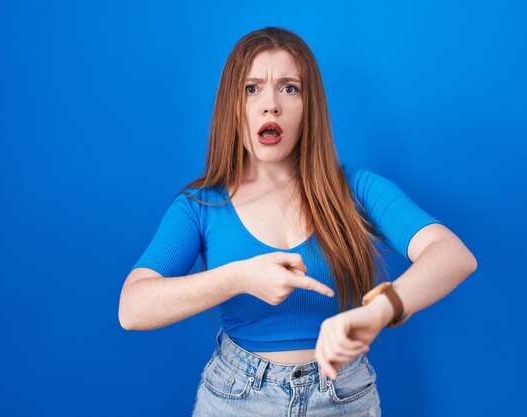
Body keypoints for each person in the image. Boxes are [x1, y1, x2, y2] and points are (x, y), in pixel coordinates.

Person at [118, 26, 477, 417]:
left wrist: (378, 311)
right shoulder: (199, 206)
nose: (270, 104)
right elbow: (133, 308)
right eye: (251, 88)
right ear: (232, 107)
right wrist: (240, 277)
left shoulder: (356, 190)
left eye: (289, 88)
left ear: (310, 107)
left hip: (344, 399)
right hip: (236, 401)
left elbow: (453, 255)